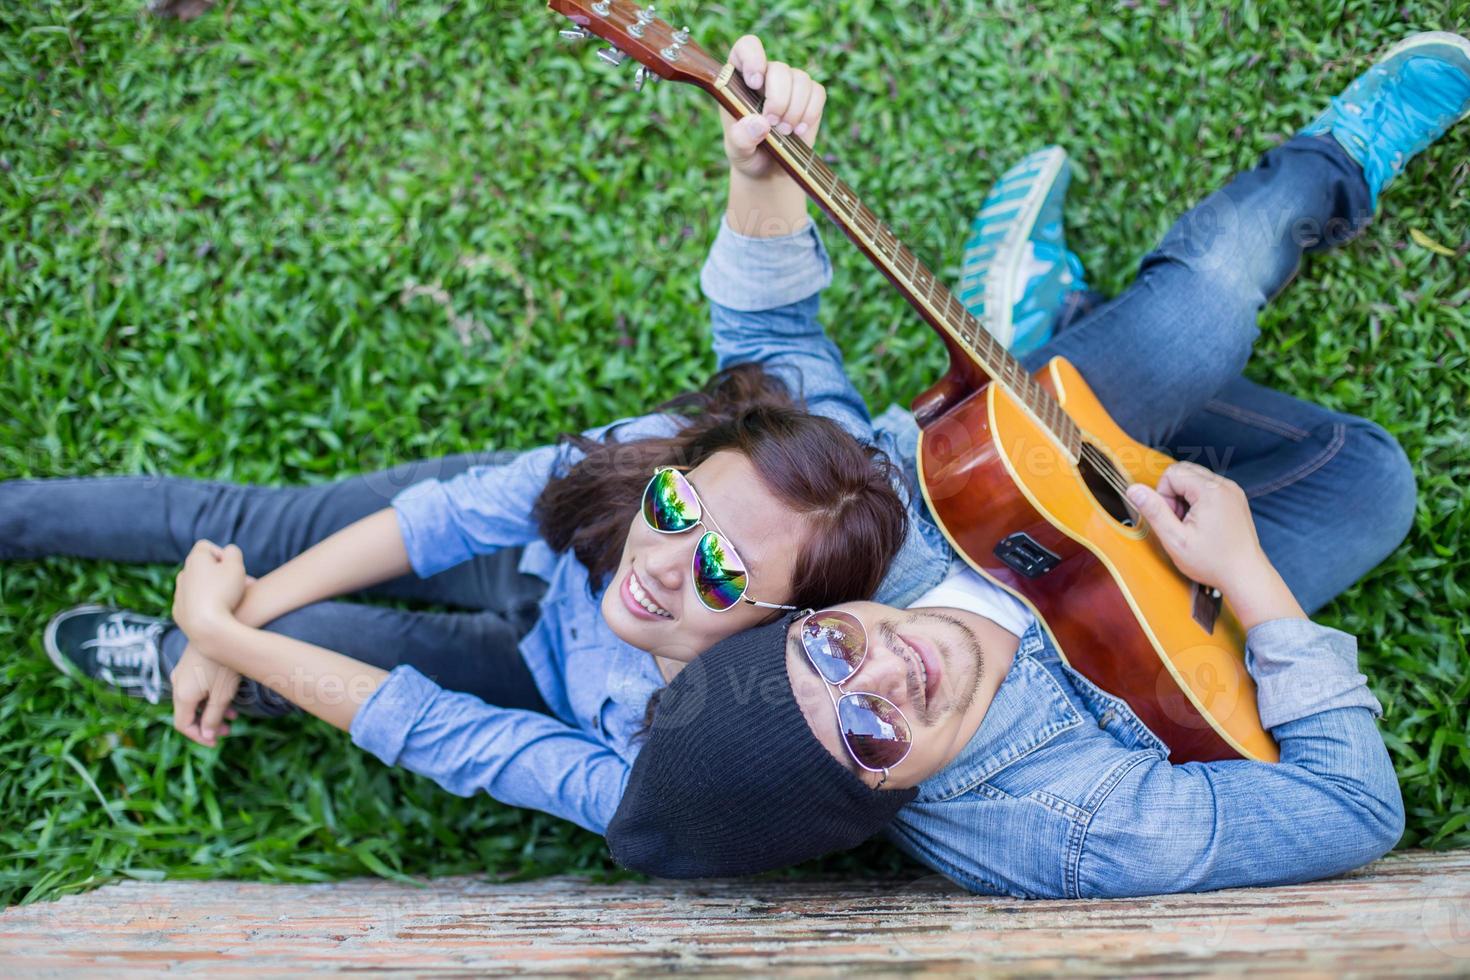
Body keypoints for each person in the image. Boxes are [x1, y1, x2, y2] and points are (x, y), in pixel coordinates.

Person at [606, 31, 1470, 895]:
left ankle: (1344, 156)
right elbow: (1352, 805)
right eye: (869, 732)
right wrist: (1243, 570)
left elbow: (770, 347)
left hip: (1010, 448)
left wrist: (762, 178)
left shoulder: (832, 548)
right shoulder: (1062, 827)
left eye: (831, 650)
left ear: (801, 615)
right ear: (879, 805)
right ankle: (1051, 315)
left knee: (1198, 320)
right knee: (1374, 486)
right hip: (1170, 594)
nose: (886, 668)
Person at [7, 40, 941, 835]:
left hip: (530, 681)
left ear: (792, 629)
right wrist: (225, 619)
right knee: (252, 529)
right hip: (539, 549)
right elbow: (450, 518)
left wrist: (216, 630)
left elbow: (448, 735)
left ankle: (184, 663)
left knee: (294, 637)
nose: (659, 561)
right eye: (676, 506)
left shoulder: (689, 761)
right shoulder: (673, 462)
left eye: (724, 572)